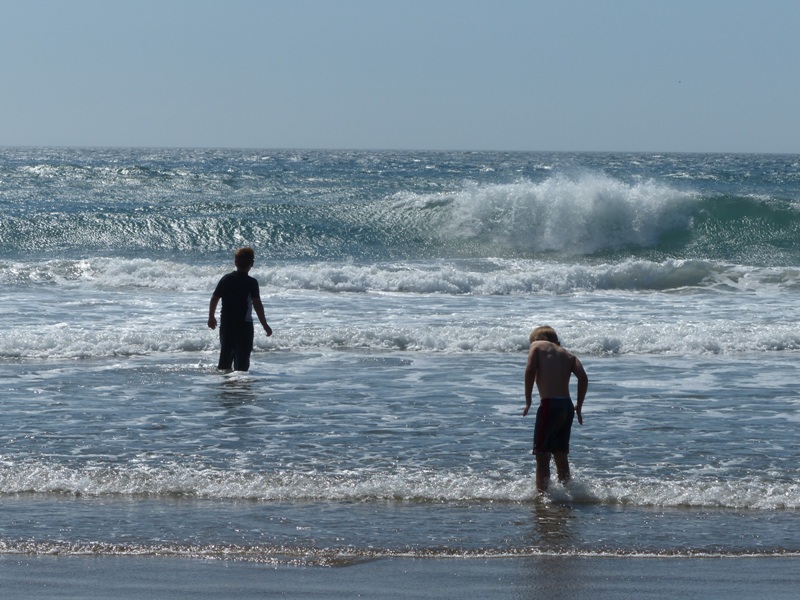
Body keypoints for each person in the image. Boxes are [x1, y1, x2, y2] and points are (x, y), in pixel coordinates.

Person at [523, 325, 588, 493]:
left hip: (549, 406)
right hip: (566, 406)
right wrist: (579, 406)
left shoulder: (536, 346)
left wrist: (528, 399)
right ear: (557, 342)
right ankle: (568, 491)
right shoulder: (568, 354)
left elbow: (530, 370)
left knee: (542, 455)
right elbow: (583, 377)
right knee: (560, 454)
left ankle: (542, 496)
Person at [208, 247, 272, 372]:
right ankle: (240, 388)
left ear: (235, 262)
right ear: (252, 264)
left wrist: (211, 317)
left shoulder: (226, 278)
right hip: (244, 326)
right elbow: (257, 304)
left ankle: (225, 387)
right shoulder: (251, 282)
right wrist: (265, 325)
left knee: (225, 362)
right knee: (242, 363)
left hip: (227, 325)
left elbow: (214, 298)